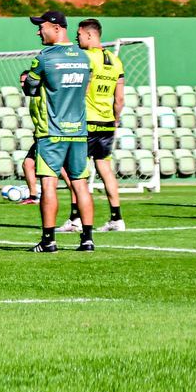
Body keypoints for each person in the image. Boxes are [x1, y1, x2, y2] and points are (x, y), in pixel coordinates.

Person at [21, 10, 95, 253]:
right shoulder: (85, 58)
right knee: (80, 185)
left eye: (41, 27)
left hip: (51, 131)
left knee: (49, 185)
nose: (37, 31)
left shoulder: (44, 57)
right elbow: (85, 88)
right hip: (78, 130)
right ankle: (87, 239)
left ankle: (49, 240)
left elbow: (30, 88)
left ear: (56, 27)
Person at [66, 17, 127, 232]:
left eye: (79, 34)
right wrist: (115, 119)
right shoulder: (115, 60)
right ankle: (116, 218)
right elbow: (119, 100)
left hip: (86, 121)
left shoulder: (86, 58)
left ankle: (75, 219)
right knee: (105, 169)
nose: (77, 37)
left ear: (90, 34)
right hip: (107, 122)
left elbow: (82, 89)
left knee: (77, 170)